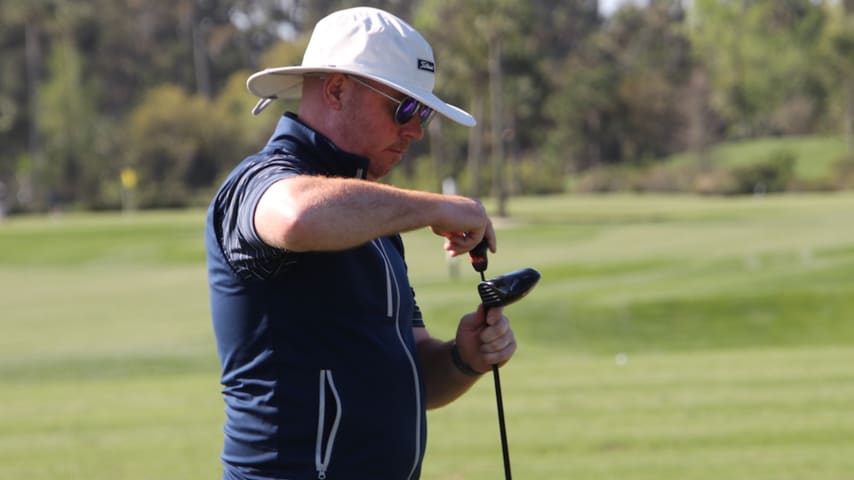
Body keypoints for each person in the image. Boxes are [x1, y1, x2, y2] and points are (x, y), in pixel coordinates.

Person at [205, 7, 517, 480]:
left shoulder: (373, 215)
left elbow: (413, 376)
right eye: (404, 109)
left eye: (424, 114)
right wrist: (435, 207)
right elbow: (296, 217)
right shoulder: (258, 180)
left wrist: (462, 358)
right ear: (335, 90)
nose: (414, 130)